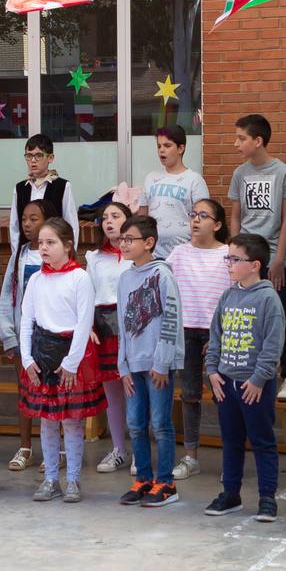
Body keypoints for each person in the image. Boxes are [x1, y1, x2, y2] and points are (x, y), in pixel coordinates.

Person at [18, 219, 107, 503]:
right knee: (47, 421)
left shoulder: (79, 278)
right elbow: (26, 320)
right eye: (41, 243)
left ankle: (73, 481)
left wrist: (71, 362)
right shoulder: (35, 279)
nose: (43, 247)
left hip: (71, 356)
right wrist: (27, 357)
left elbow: (84, 323)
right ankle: (50, 479)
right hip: (41, 355)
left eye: (50, 242)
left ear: (68, 245)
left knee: (71, 421)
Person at [203, 233, 286, 523]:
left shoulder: (268, 298)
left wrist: (259, 379)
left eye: (234, 259)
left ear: (254, 265)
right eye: (228, 258)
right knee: (231, 441)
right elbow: (216, 337)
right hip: (226, 383)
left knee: (262, 441)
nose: (229, 263)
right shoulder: (228, 296)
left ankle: (267, 498)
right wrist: (212, 372)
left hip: (255, 386)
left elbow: (272, 345)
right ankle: (231, 494)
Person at [228, 114, 286, 401]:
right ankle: (253, 373)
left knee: (278, 317)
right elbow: (235, 216)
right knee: (248, 318)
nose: (236, 144)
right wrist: (234, 254)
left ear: (258, 140)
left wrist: (279, 258)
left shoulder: (282, 172)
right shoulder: (239, 174)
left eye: (241, 138)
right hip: (245, 258)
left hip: (273, 258)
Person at [114, 214, 181, 507]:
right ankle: (143, 479)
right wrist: (123, 366)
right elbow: (122, 324)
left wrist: (162, 363)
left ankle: (166, 482)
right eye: (122, 239)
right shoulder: (125, 277)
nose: (124, 244)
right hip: (133, 365)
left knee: (160, 424)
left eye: (130, 239)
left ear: (149, 242)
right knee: (136, 425)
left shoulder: (163, 275)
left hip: (157, 366)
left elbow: (171, 321)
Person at [166, 197, 234, 481]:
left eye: (203, 215)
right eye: (193, 214)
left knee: (224, 396)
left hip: (216, 335)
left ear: (217, 225)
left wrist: (222, 333)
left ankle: (231, 458)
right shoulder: (179, 253)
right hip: (186, 333)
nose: (195, 220)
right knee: (190, 395)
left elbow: (235, 295)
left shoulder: (229, 254)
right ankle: (191, 456)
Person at [0, 198, 56, 472]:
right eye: (24, 219)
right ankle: (25, 447)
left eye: (34, 218)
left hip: (53, 339)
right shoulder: (20, 255)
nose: (28, 224)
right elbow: (7, 298)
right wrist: (9, 336)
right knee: (25, 392)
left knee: (52, 394)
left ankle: (53, 450)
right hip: (25, 338)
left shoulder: (56, 257)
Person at [85, 200, 134, 474]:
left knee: (136, 391)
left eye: (116, 216)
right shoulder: (94, 258)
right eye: (105, 217)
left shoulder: (135, 256)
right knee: (113, 393)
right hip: (104, 329)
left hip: (132, 328)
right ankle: (118, 450)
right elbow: (89, 295)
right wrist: (89, 326)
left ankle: (139, 451)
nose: (109, 221)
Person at [141, 126, 209, 259]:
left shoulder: (194, 180)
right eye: (159, 146)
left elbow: (204, 219)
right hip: (153, 253)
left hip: (184, 253)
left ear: (180, 148)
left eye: (167, 145)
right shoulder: (151, 178)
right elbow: (142, 216)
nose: (161, 150)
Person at [10, 133, 79, 253]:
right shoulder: (20, 188)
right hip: (27, 254)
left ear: (50, 158)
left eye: (38, 155)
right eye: (29, 156)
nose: (33, 161)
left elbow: (71, 225)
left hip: (55, 254)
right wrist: (17, 255)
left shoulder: (62, 186)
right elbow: (14, 226)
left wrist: (69, 254)